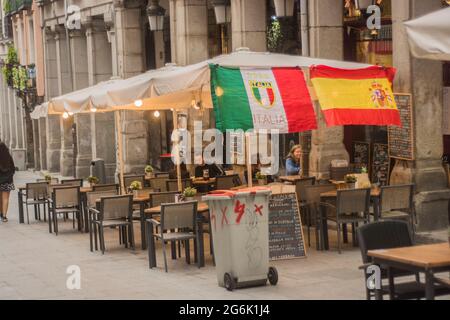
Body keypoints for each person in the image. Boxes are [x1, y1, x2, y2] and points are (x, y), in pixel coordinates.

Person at [0, 142, 16, 222]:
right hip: (7, 180)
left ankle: (1, 213)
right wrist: (9, 175)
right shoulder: (8, 157)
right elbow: (13, 169)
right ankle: (4, 216)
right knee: (5, 198)